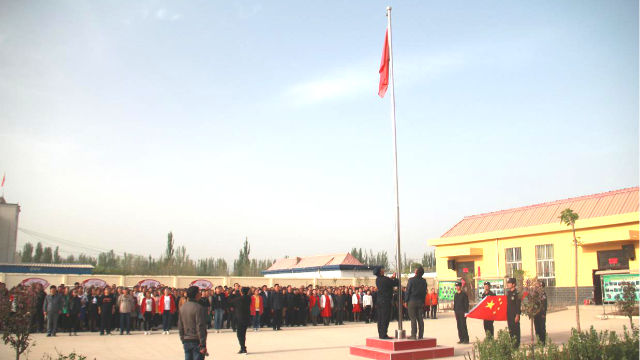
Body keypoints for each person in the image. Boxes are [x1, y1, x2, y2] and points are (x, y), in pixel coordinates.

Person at [178, 286, 208, 360]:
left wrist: (182, 339)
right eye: (199, 292)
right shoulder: (198, 308)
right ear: (196, 294)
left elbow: (180, 326)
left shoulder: (183, 308)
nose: (200, 294)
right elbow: (200, 326)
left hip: (186, 340)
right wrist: (203, 344)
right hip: (196, 341)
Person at [374, 266, 399, 339]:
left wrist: (391, 277)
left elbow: (387, 281)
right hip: (386, 301)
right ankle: (384, 334)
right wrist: (395, 278)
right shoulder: (385, 279)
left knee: (380, 319)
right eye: (382, 269)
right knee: (385, 318)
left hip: (379, 301)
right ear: (380, 271)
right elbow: (395, 283)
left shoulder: (378, 279)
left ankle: (381, 334)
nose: (383, 270)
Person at [405, 266, 427, 340]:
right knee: (420, 318)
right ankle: (421, 335)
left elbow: (407, 291)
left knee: (413, 318)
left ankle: (413, 335)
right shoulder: (424, 281)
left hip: (412, 301)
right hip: (420, 301)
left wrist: (406, 300)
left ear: (416, 272)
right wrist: (423, 301)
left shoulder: (411, 280)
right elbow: (424, 292)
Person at [229, 287, 251, 354]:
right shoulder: (249, 298)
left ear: (241, 292)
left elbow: (230, 302)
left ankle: (243, 348)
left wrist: (232, 294)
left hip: (240, 319)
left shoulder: (239, 299)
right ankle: (243, 347)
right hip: (246, 318)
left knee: (239, 334)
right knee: (243, 334)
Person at [506, 277, 521, 348]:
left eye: (509, 283)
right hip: (509, 315)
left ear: (514, 284)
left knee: (516, 330)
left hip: (515, 315)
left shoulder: (517, 293)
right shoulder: (508, 293)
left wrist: (517, 315)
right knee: (511, 330)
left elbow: (518, 305)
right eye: (508, 283)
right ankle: (512, 343)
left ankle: (516, 345)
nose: (508, 284)